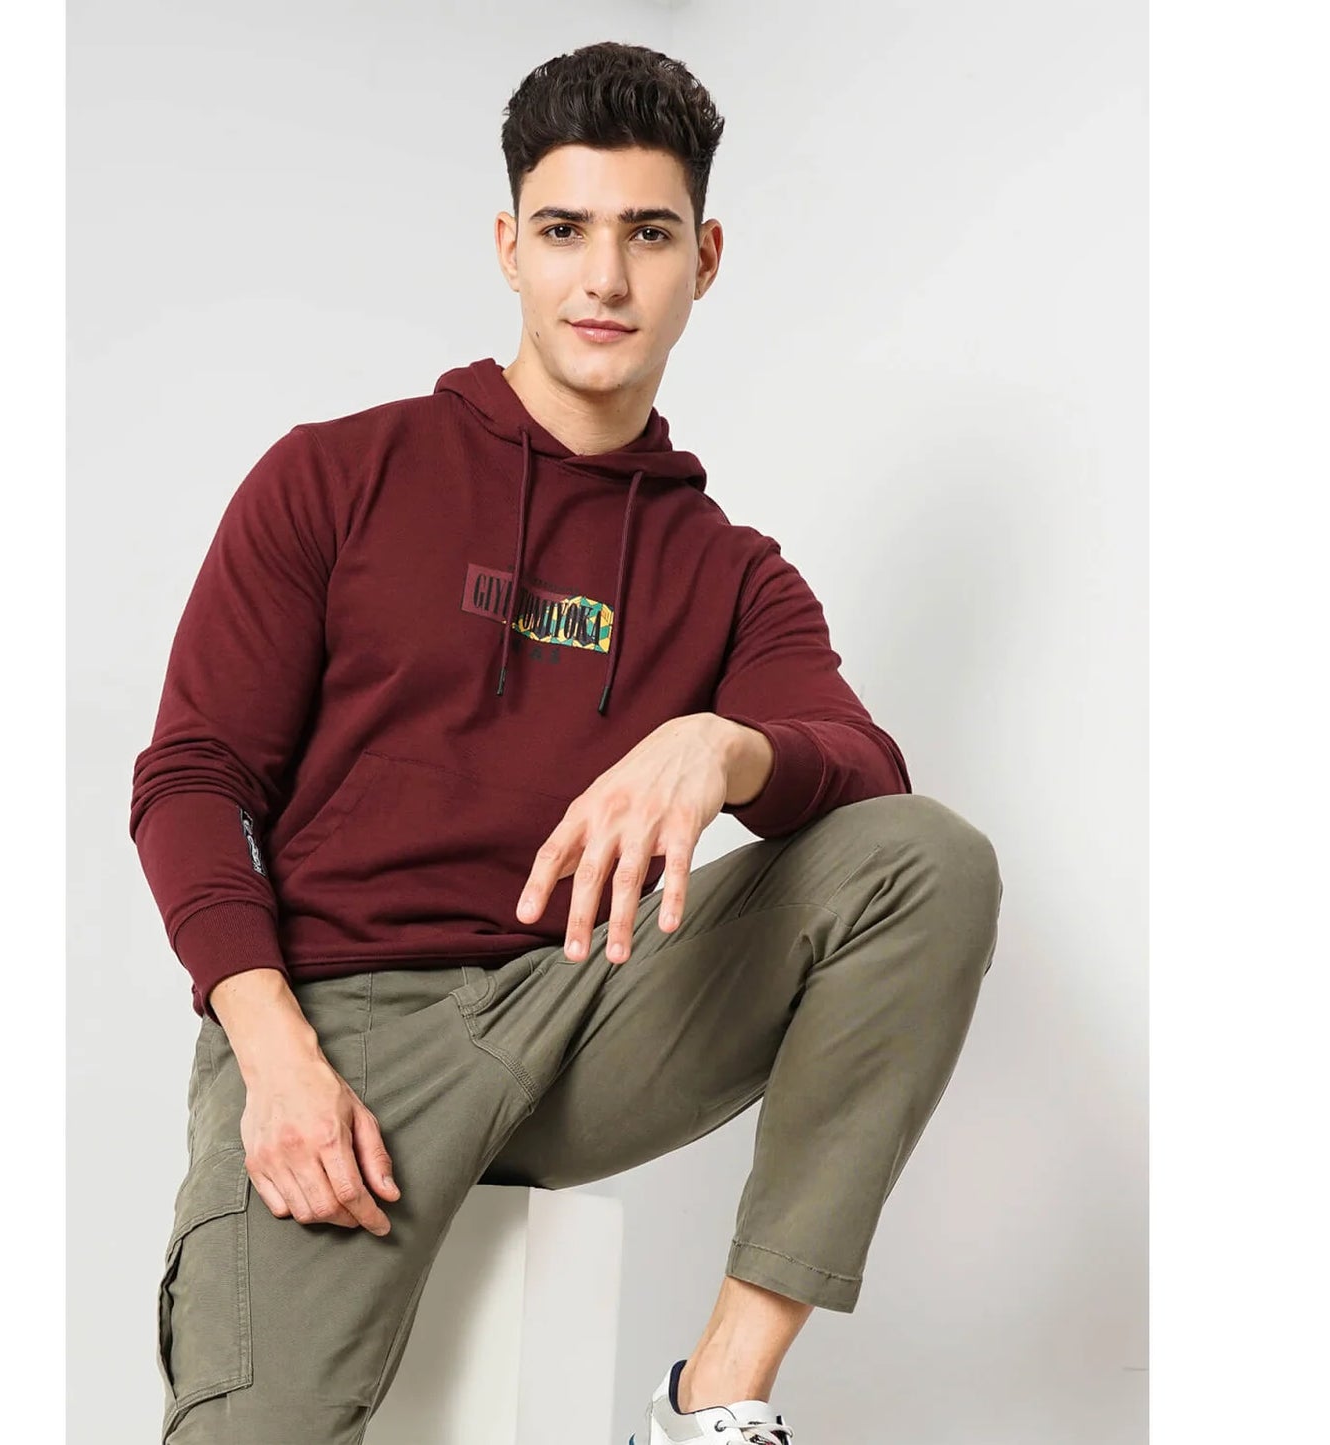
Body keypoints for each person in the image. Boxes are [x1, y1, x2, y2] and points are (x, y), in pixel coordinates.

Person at [129, 39, 1003, 1445]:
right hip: (341, 1036)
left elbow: (864, 774)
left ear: (703, 259)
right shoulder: (335, 477)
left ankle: (712, 1400)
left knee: (923, 861)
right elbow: (192, 778)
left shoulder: (730, 573)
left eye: (647, 234)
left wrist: (721, 747)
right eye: (564, 231)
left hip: (581, 1012)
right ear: (508, 247)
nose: (604, 278)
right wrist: (273, 1051)